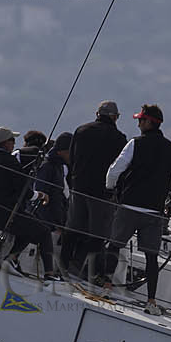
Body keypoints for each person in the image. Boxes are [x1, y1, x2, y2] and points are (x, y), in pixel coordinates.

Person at [101, 103, 171, 315]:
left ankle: (106, 289)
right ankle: (151, 301)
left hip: (129, 207)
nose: (138, 123)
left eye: (141, 120)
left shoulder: (135, 143)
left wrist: (109, 189)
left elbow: (114, 171)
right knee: (151, 257)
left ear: (149, 122)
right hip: (154, 213)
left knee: (114, 246)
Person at [63, 101, 128, 279]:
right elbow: (120, 169)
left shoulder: (81, 130)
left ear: (98, 114)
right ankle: (83, 269)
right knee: (97, 233)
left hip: (78, 187)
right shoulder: (119, 139)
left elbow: (72, 159)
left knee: (72, 228)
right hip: (102, 193)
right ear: (114, 117)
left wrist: (73, 182)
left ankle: (62, 264)